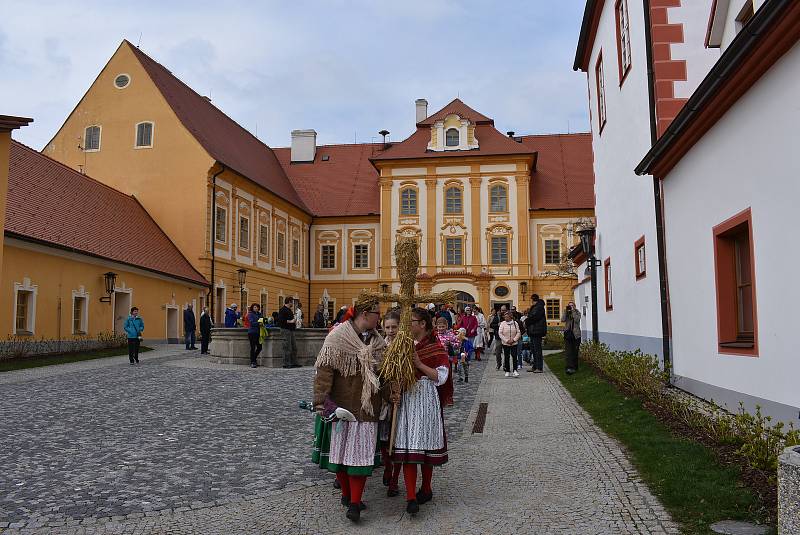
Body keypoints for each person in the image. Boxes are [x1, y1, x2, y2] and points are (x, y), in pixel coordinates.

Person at [312, 300, 389, 523]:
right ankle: (347, 495)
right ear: (365, 314)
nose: (379, 318)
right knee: (342, 456)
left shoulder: (378, 342)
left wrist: (390, 393)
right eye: (377, 314)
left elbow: (383, 376)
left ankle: (355, 502)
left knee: (361, 458)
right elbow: (324, 371)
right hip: (342, 408)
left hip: (366, 409)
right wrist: (322, 402)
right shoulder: (337, 338)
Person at [392, 308, 453, 516]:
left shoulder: (435, 348)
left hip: (426, 397)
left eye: (411, 321)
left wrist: (419, 364)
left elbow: (442, 376)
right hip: (407, 399)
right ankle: (410, 497)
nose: (406, 325)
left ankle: (426, 489)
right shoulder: (402, 346)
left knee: (425, 445)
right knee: (408, 446)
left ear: (423, 324)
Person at [380, 310, 402, 497]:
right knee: (384, 438)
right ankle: (387, 467)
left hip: (401, 397)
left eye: (394, 327)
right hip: (384, 399)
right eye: (387, 327)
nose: (391, 330)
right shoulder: (380, 346)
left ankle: (395, 478)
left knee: (399, 440)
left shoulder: (405, 346)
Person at [525, 294, 547, 373]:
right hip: (533, 331)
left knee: (537, 350)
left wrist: (527, 321)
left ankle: (539, 367)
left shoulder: (539, 307)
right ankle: (535, 366)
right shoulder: (536, 307)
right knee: (533, 350)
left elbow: (535, 317)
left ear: (534, 300)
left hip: (537, 331)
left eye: (531, 300)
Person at [277, 297, 300, 368]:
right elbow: (281, 321)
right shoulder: (282, 310)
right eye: (292, 302)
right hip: (285, 330)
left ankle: (294, 362)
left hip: (291, 330)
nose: (292, 304)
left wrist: (294, 320)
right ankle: (286, 364)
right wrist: (291, 321)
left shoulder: (289, 310)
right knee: (287, 347)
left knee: (294, 347)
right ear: (289, 302)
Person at [499, 310, 521, 378]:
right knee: (506, 357)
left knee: (514, 356)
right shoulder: (502, 323)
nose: (506, 318)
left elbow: (518, 332)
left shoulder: (515, 323)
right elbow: (500, 333)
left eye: (507, 317)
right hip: (506, 343)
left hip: (514, 343)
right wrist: (506, 340)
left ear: (511, 317)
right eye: (505, 317)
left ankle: (515, 370)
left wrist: (514, 340)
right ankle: (507, 370)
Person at [562, 302, 582, 374]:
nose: (570, 307)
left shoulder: (577, 313)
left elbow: (577, 320)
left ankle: (575, 367)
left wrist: (573, 311)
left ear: (575, 306)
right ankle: (569, 367)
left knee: (575, 351)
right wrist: (565, 312)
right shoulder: (567, 313)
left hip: (576, 335)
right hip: (568, 334)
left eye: (572, 305)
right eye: (569, 306)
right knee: (568, 352)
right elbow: (562, 320)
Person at [247, 303, 263, 368]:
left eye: (257, 307)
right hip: (252, 332)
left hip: (259, 333)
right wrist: (258, 323)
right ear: (252, 308)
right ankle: (253, 362)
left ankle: (254, 358)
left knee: (259, 347)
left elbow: (262, 321)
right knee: (253, 348)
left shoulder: (260, 314)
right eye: (254, 307)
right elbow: (251, 323)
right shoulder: (250, 314)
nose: (256, 308)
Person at [491, 305, 508, 370]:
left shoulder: (509, 316)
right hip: (498, 337)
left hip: (506, 337)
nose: (502, 311)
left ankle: (505, 365)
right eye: (502, 310)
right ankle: (499, 364)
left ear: (506, 310)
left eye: (504, 310)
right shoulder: (497, 317)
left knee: (506, 353)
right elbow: (491, 325)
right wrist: (497, 324)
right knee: (498, 352)